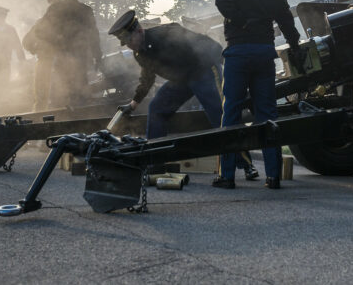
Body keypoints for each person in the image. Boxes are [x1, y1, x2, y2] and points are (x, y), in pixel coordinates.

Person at [108, 10, 258, 179]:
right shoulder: (140, 53)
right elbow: (147, 78)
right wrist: (133, 104)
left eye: (129, 40)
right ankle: (154, 162)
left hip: (203, 71)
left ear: (139, 31)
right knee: (156, 109)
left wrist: (226, 65)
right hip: (181, 80)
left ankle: (246, 165)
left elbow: (203, 43)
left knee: (222, 116)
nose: (128, 45)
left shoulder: (167, 33)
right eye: (125, 42)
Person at [212, 0, 302, 189]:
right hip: (264, 53)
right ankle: (273, 176)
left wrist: (240, 21)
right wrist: (294, 45)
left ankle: (226, 176)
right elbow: (286, 18)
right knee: (267, 114)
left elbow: (221, 2)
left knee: (231, 113)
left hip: (238, 53)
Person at [31, 0, 102, 107]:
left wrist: (56, 41)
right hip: (80, 57)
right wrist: (98, 56)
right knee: (80, 93)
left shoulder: (55, 8)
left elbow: (40, 30)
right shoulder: (86, 10)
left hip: (60, 55)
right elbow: (94, 36)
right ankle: (80, 119)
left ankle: (62, 118)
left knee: (61, 91)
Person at [22, 0, 65, 110]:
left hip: (60, 64)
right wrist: (36, 50)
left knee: (59, 96)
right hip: (47, 62)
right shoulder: (41, 23)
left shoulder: (67, 23)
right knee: (42, 96)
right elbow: (26, 41)